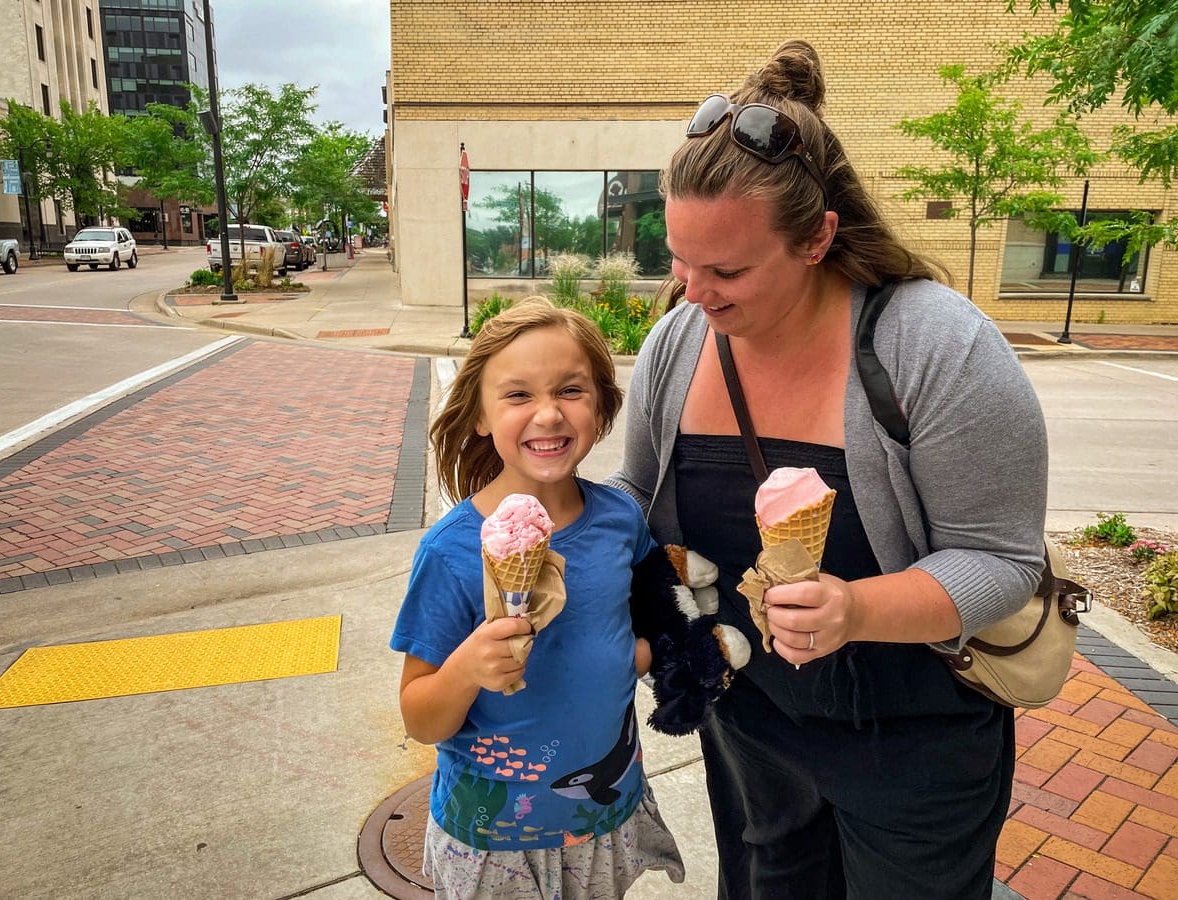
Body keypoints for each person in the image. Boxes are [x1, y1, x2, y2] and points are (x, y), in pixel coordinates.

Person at [607, 40, 1047, 900]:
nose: (691, 292)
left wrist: (855, 608)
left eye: (727, 269)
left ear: (817, 239)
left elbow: (1001, 560)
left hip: (914, 736)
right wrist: (560, 529)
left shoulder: (934, 347)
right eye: (678, 258)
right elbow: (637, 496)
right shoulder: (678, 343)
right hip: (749, 724)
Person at [391, 297, 684, 898]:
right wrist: (469, 665)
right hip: (492, 835)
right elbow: (420, 718)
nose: (548, 414)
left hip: (602, 817)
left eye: (571, 391)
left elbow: (621, 627)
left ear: (601, 407)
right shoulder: (451, 553)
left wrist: (642, 656)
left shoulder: (621, 522)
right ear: (478, 415)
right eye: (518, 395)